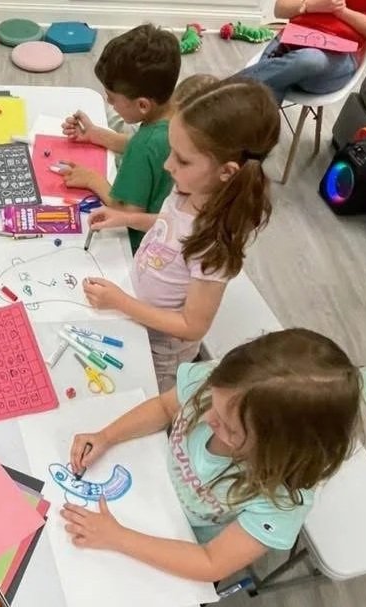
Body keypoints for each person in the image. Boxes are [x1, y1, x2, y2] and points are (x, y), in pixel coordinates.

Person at [62, 329, 361, 582]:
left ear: (277, 452)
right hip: (147, 487)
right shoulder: (223, 386)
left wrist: (117, 537)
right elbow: (165, 407)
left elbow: (211, 563)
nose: (207, 419)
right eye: (212, 405)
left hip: (179, 543)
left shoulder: (281, 500)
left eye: (230, 429)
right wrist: (106, 436)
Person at [83, 79, 280, 392]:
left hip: (161, 354)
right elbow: (170, 225)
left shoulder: (214, 241)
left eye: (182, 159)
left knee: (140, 397)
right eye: (171, 151)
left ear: (226, 171)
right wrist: (128, 218)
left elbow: (192, 326)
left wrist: (121, 302)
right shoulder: (188, 189)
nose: (167, 164)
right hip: (135, 315)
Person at [59, 23, 181, 253]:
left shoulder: (144, 145)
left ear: (143, 105)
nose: (109, 103)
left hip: (141, 248)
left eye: (113, 98)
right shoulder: (179, 118)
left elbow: (127, 213)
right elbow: (152, 150)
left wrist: (93, 180)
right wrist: (96, 135)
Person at [235, 0, 366, 102]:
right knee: (269, 89)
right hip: (292, 39)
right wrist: (311, 5)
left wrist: (340, 11)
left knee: (308, 60)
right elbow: (281, 9)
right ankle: (246, 151)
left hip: (338, 57)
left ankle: (224, 90)